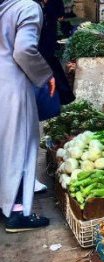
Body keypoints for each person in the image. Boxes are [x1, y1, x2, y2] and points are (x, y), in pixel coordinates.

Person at [1, 0, 55, 232]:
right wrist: (44, 74)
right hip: (12, 85)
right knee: (20, 147)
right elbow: (24, 50)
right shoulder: (27, 7)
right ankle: (17, 214)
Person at [38, 0, 75, 105]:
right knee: (49, 60)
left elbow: (58, 14)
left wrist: (59, 14)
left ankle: (64, 95)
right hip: (42, 32)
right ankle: (64, 95)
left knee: (49, 59)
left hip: (47, 30)